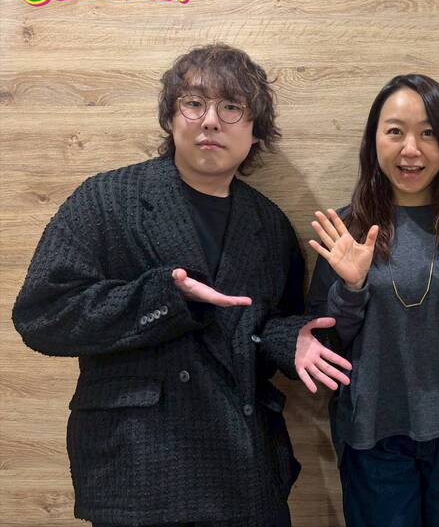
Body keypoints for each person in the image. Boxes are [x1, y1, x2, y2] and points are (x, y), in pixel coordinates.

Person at [12, 43, 352, 527]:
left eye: (231, 107)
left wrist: (286, 339)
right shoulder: (107, 199)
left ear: (255, 130)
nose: (210, 121)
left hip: (244, 473)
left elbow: (267, 325)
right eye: (194, 103)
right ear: (171, 117)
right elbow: (42, 316)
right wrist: (166, 300)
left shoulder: (269, 224)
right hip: (141, 469)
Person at [306, 74, 439, 526]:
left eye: (428, 133)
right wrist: (350, 290)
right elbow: (323, 347)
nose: (411, 149)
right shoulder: (346, 233)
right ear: (373, 141)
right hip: (373, 435)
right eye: (395, 131)